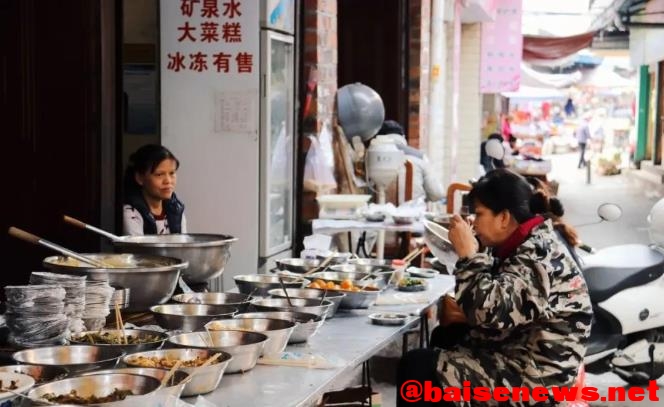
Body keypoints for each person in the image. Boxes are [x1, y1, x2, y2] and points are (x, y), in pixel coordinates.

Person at [397, 169, 592, 407]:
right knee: (446, 337)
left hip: (534, 380)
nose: (474, 223)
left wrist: (469, 256)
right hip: (516, 353)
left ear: (503, 218)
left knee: (417, 368)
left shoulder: (538, 254)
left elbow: (489, 312)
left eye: (479, 214)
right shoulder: (525, 241)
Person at [123, 144, 187, 235]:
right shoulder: (130, 213)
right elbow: (138, 248)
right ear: (140, 178)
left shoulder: (176, 209)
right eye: (159, 174)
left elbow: (182, 246)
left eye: (172, 173)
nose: (168, 181)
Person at [375, 120, 445, 202]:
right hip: (415, 212)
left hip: (377, 211)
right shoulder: (420, 157)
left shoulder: (370, 156)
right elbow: (437, 194)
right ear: (403, 137)